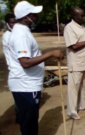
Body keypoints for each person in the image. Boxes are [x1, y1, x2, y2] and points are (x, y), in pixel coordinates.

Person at [8, 1, 64, 135]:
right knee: (29, 125)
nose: (36, 18)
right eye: (33, 15)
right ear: (25, 17)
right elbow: (25, 63)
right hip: (25, 86)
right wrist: (50, 53)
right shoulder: (21, 35)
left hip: (28, 85)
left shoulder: (22, 31)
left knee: (30, 123)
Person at [64, 7, 85, 120]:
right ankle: (72, 111)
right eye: (81, 16)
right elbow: (74, 46)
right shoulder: (69, 28)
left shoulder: (83, 27)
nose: (84, 17)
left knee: (84, 84)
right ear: (74, 17)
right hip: (76, 63)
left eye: (84, 15)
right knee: (74, 87)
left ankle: (83, 105)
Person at [1, 13, 20, 123]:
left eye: (15, 22)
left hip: (21, 67)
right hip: (14, 68)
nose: (14, 24)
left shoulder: (18, 33)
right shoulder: (7, 36)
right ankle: (18, 114)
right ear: (8, 23)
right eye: (12, 22)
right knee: (18, 93)